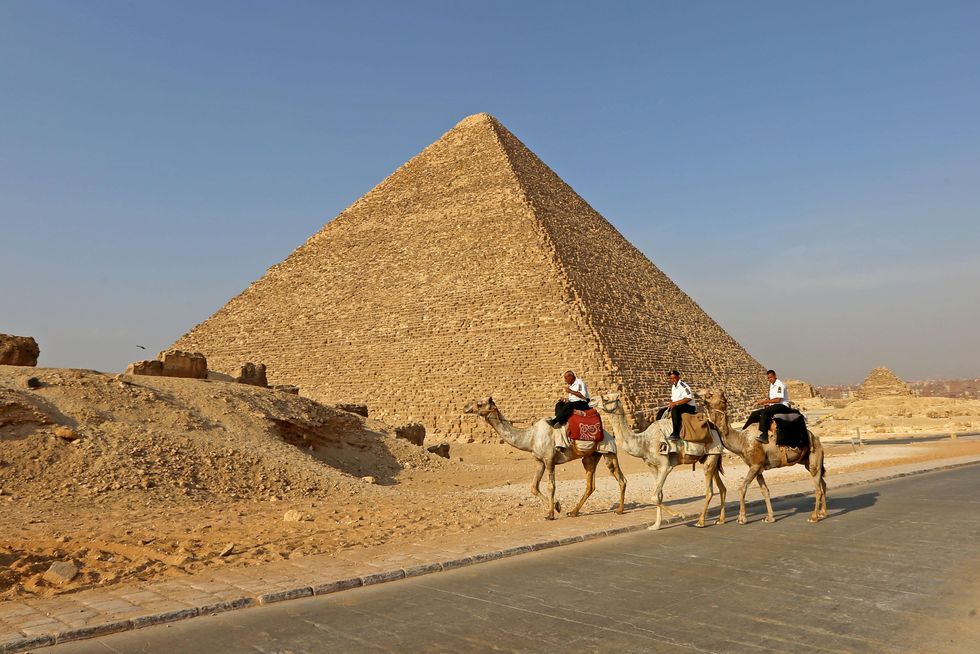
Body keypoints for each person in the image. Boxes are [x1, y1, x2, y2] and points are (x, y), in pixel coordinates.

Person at [754, 369, 790, 443]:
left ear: (775, 376)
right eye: (768, 378)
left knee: (764, 412)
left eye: (771, 377)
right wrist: (767, 403)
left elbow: (778, 400)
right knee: (755, 414)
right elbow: (772, 398)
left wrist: (764, 401)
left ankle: (764, 437)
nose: (769, 379)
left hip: (782, 405)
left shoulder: (780, 385)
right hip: (775, 405)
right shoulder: (771, 385)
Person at [664, 370, 696, 441]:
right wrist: (670, 403)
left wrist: (674, 404)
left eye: (674, 378)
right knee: (662, 411)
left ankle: (676, 434)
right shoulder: (673, 387)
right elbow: (674, 399)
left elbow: (688, 398)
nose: (673, 380)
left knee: (675, 409)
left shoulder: (684, 386)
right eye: (671, 378)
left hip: (689, 406)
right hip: (679, 405)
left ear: (678, 377)